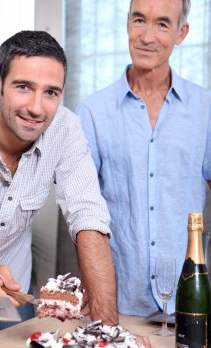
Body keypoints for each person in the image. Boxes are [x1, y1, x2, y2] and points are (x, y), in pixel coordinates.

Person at [0, 30, 118, 341]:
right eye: (23, 87)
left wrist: (110, 336)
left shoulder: (66, 129)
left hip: (12, 285)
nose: (36, 108)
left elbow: (88, 218)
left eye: (51, 93)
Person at [77, 0, 211, 317]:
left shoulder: (205, 109)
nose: (147, 36)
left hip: (189, 305)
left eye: (162, 24)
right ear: (127, 24)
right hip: (118, 306)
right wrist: (101, 306)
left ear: (181, 33)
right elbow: (82, 213)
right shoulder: (93, 113)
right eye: (139, 20)